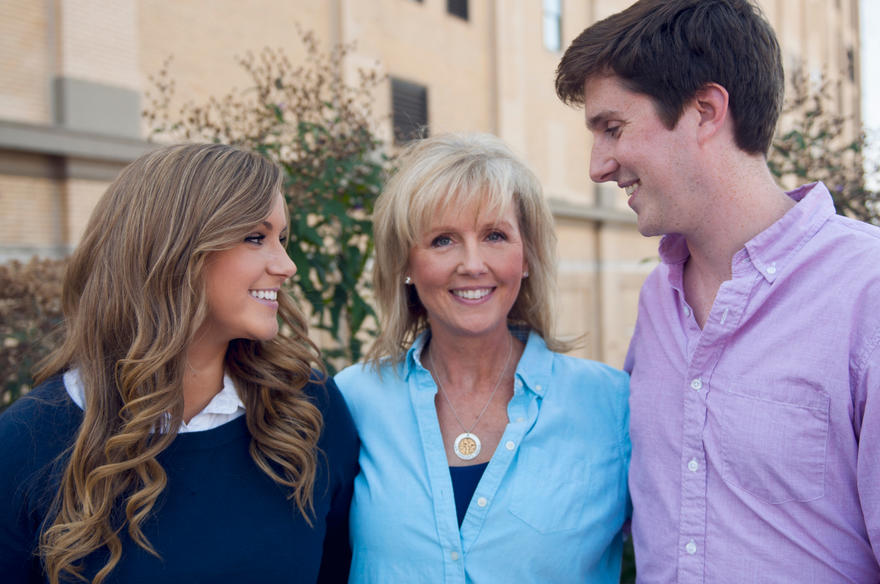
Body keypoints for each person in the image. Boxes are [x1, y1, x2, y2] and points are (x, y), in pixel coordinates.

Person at [555, 0, 880, 581]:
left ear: (705, 110)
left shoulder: (867, 292)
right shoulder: (657, 299)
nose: (598, 166)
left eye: (612, 128)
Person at [0, 143, 358, 583]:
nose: (287, 265)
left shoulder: (309, 407)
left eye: (281, 239)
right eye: (255, 237)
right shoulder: (26, 443)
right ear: (172, 251)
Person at [334, 132, 630, 583]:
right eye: (442, 240)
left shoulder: (612, 404)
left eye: (494, 235)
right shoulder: (352, 401)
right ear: (406, 265)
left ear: (526, 255)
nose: (472, 264)